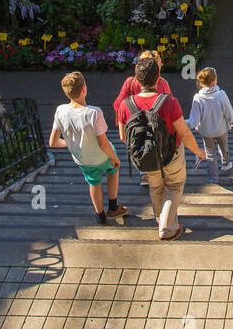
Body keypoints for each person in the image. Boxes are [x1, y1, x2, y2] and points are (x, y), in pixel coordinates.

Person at [117, 55, 204, 240]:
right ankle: (166, 228)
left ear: (136, 78)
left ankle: (161, 219)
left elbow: (123, 136)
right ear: (158, 78)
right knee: (174, 186)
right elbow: (184, 134)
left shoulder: (125, 105)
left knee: (155, 187)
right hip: (170, 155)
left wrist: (142, 150)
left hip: (145, 158)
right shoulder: (169, 102)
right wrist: (198, 152)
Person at [49, 71, 126, 225]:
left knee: (93, 182)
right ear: (84, 88)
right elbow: (103, 144)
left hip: (81, 159)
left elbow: (53, 142)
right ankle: (113, 207)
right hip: (101, 156)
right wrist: (115, 159)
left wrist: (72, 144)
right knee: (113, 170)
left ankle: (100, 216)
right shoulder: (94, 112)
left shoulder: (60, 111)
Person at [189, 67, 233, 184]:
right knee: (224, 147)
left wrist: (180, 123)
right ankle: (226, 164)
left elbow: (193, 120)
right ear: (214, 81)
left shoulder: (198, 98)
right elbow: (228, 111)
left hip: (206, 132)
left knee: (210, 153)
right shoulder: (221, 95)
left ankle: (213, 178)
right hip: (221, 129)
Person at [114, 49, 171, 130]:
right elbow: (169, 111)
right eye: (159, 63)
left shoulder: (130, 82)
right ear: (153, 66)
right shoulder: (162, 83)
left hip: (134, 130)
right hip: (157, 132)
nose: (162, 64)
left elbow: (118, 105)